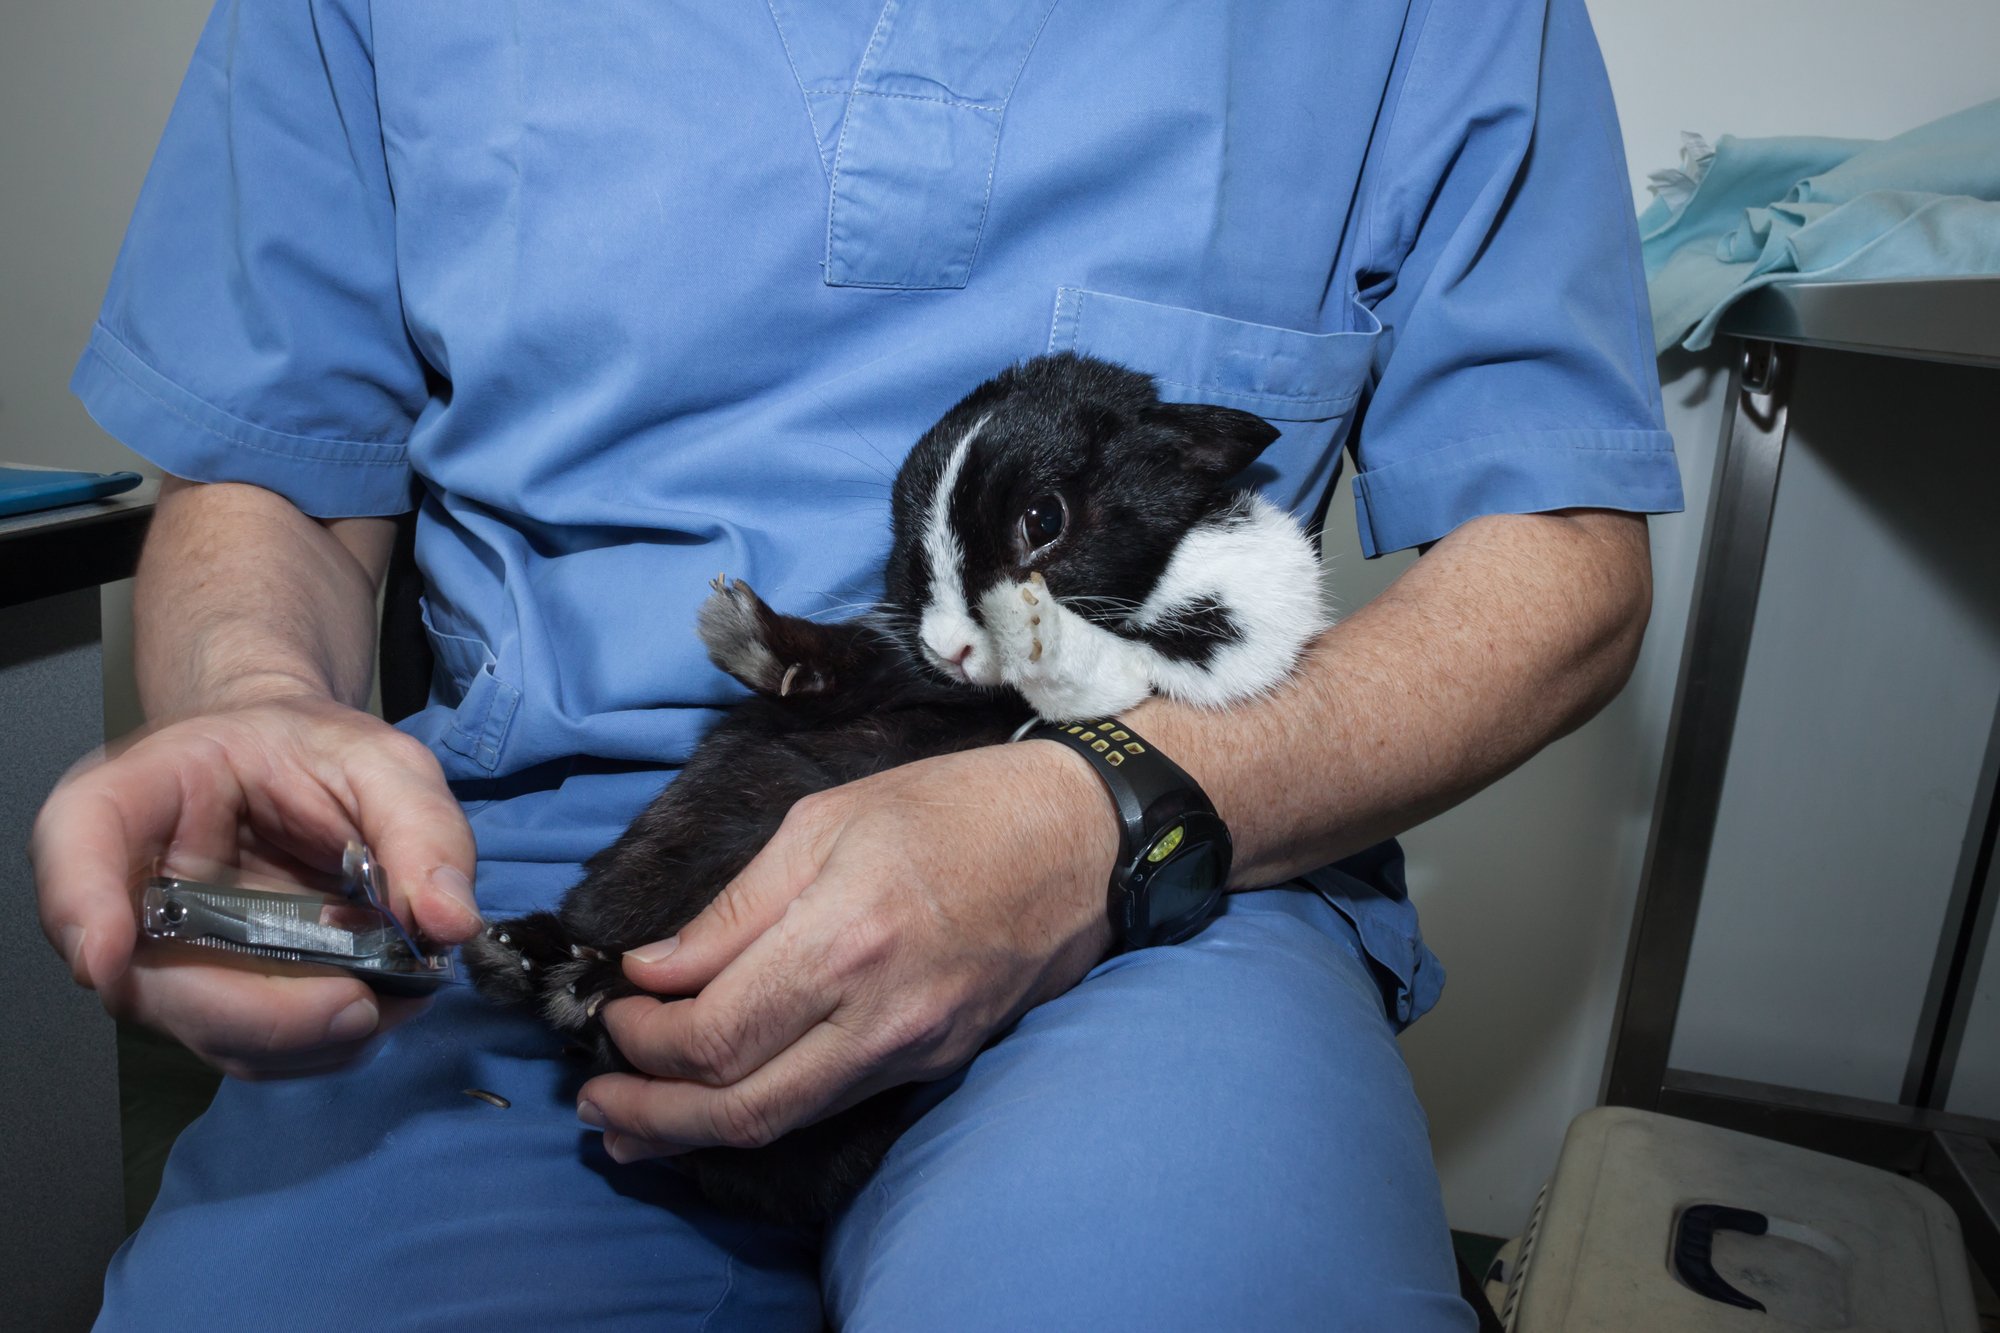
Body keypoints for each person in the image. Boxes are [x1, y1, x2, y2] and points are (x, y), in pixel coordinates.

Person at [36, 0, 1682, 1327]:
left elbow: (1563, 561)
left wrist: (1089, 817)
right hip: (548, 878)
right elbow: (278, 487)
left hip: (1154, 879)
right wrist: (258, 704)